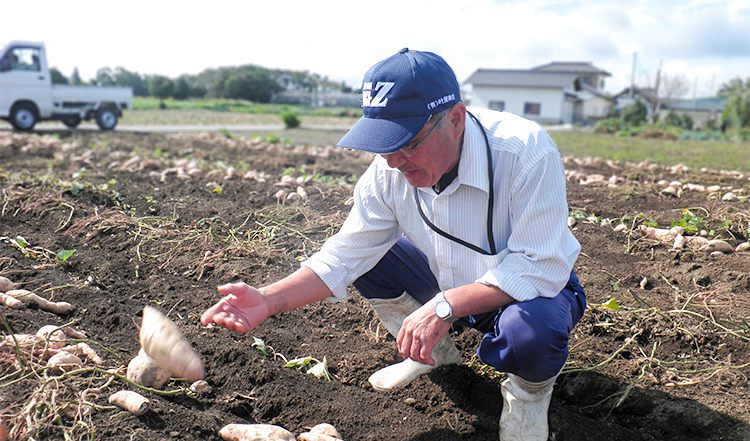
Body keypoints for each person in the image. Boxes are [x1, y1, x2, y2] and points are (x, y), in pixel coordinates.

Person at [201, 48, 586, 441]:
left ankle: (528, 398)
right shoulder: (388, 172)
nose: (394, 162)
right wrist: (268, 299)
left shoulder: (524, 151)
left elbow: (539, 264)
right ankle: (434, 356)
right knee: (373, 256)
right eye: (384, 145)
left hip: (524, 295)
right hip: (443, 281)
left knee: (531, 334)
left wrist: (444, 306)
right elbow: (347, 253)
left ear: (454, 119)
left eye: (408, 143)